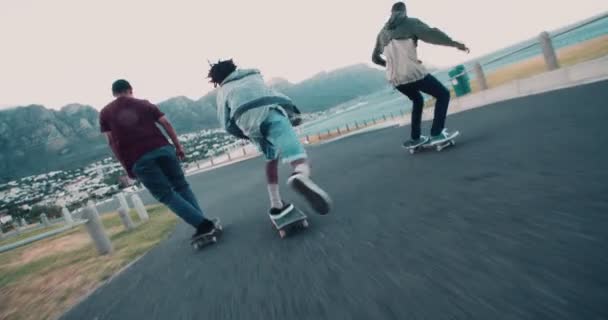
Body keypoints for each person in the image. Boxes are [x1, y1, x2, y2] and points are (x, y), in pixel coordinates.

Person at [207, 59, 332, 220]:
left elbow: (226, 124)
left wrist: (245, 133)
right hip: (270, 112)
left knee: (270, 159)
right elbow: (276, 96)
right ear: (235, 68)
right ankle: (299, 175)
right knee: (297, 157)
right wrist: (293, 112)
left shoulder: (223, 91)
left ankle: (276, 203)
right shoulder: (254, 76)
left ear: (217, 80)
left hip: (247, 123)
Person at [99, 79, 217, 239]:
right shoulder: (144, 103)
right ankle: (202, 222)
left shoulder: (105, 113)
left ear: (114, 94)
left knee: (165, 195)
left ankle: (203, 224)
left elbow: (112, 142)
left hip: (138, 159)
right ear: (130, 89)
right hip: (163, 149)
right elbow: (166, 123)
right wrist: (178, 146)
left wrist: (127, 167)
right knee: (181, 186)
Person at [372, 1, 470, 148]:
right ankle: (436, 133)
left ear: (391, 13)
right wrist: (455, 44)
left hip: (395, 79)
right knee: (443, 94)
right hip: (412, 74)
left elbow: (375, 58)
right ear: (404, 11)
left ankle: (415, 138)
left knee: (417, 100)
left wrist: (390, 65)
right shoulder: (410, 23)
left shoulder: (382, 33)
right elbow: (432, 35)